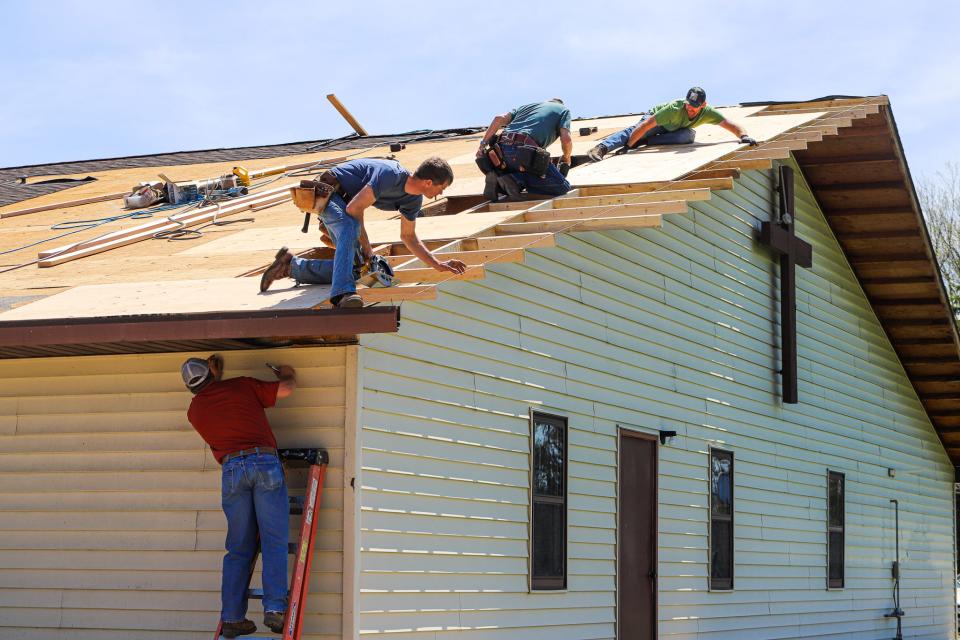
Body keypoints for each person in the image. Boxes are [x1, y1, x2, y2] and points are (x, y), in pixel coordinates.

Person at [182, 354, 297, 638]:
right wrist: (287, 373)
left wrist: (213, 378)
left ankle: (233, 617)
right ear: (211, 370)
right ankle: (274, 609)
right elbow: (286, 389)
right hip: (263, 462)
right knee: (273, 540)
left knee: (239, 548)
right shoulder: (241, 386)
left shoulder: (194, 412)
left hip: (232, 470)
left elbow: (217, 401)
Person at [259, 157, 466, 306]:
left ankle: (290, 266)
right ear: (429, 182)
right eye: (442, 188)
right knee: (350, 228)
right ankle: (343, 294)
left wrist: (437, 264)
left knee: (358, 267)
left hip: (347, 203)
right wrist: (368, 248)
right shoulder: (390, 174)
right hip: (330, 192)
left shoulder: (413, 200)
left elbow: (408, 237)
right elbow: (354, 209)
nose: (441, 194)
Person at [587, 87, 758, 162]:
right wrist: (629, 146)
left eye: (694, 108)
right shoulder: (674, 109)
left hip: (674, 129)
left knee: (688, 136)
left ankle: (644, 141)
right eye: (689, 106)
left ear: (703, 106)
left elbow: (731, 125)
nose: (690, 110)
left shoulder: (708, 112)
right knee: (637, 132)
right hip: (655, 121)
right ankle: (602, 148)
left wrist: (744, 136)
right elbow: (645, 125)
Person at [476, 98, 573, 200]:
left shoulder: (526, 107)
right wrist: (566, 157)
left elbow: (498, 119)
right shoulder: (563, 110)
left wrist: (482, 145)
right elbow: (566, 139)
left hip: (499, 151)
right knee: (562, 186)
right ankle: (516, 180)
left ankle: (500, 182)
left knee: (517, 174)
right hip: (524, 151)